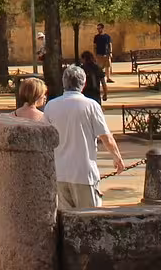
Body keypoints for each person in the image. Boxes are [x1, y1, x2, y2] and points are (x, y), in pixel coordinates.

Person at [42, 65, 124, 211]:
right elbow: (106, 137)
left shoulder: (50, 106)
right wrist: (117, 158)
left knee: (64, 223)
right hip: (84, 174)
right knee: (90, 219)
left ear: (63, 83)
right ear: (84, 84)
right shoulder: (91, 106)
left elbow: (44, 140)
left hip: (59, 173)